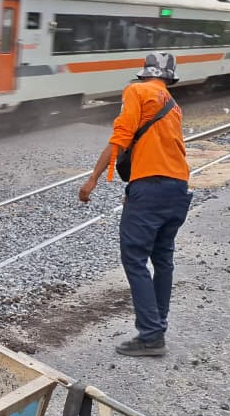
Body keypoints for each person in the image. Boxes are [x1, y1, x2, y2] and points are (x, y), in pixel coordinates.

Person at [78, 51, 192, 358]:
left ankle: (150, 335)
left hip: (151, 188)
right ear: (169, 78)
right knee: (163, 258)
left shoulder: (137, 91)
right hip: (178, 188)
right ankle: (158, 327)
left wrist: (93, 179)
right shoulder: (173, 104)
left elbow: (121, 138)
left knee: (135, 259)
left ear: (145, 73)